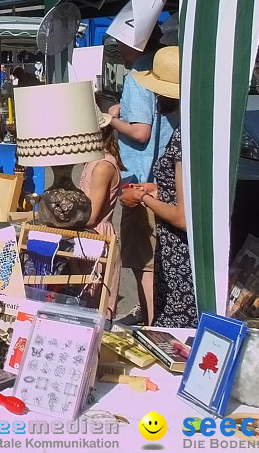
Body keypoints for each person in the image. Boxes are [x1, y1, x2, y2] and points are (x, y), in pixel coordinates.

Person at [118, 47, 197, 328]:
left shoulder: (183, 139)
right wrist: (152, 189)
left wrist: (143, 197)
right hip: (178, 254)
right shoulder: (191, 129)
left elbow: (182, 216)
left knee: (175, 330)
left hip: (180, 258)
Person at [107, 28, 171, 324]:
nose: (119, 49)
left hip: (140, 179)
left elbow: (140, 131)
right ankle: (159, 321)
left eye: (121, 44)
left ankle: (151, 326)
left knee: (143, 262)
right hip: (167, 176)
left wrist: (111, 119)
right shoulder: (167, 66)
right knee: (161, 260)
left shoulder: (139, 73)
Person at [75, 107, 125, 318]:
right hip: (86, 235)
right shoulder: (92, 160)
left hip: (96, 237)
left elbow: (93, 214)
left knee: (94, 303)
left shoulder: (103, 166)